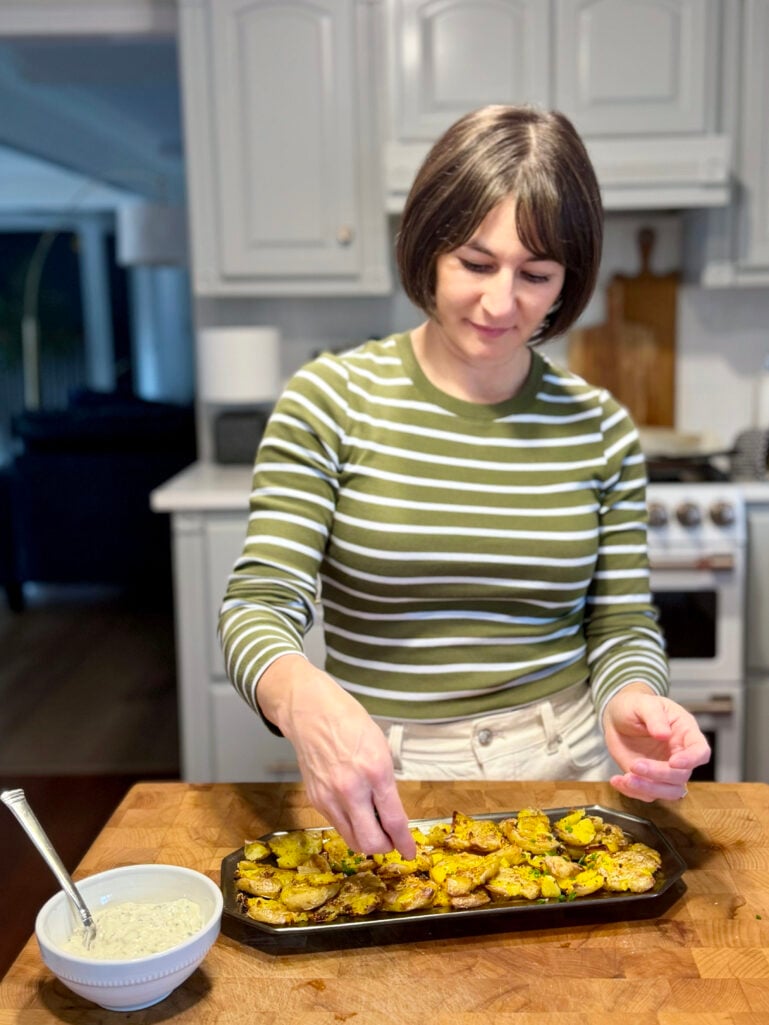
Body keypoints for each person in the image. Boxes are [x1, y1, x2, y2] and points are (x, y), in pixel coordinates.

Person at [219, 104, 711, 860]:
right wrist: (302, 698)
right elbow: (258, 607)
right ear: (426, 248)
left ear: (566, 282)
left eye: (535, 275)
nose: (498, 302)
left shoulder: (599, 427)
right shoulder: (329, 400)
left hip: (567, 766)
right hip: (381, 771)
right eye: (474, 263)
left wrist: (632, 699)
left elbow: (620, 626)